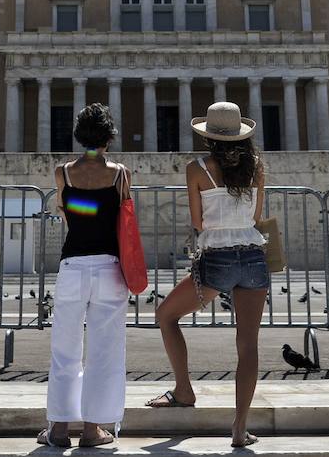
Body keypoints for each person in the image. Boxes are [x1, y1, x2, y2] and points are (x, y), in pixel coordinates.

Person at [147, 101, 268, 448]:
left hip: (218, 259)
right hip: (254, 257)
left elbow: (198, 222)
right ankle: (240, 428)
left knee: (166, 316)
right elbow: (257, 217)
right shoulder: (258, 168)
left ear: (209, 137)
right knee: (248, 345)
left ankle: (184, 389)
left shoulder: (196, 168)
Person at [39, 103, 131, 449]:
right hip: (109, 267)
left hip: (73, 266)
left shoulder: (63, 173)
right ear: (109, 137)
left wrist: (83, 210)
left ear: (80, 136)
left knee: (65, 349)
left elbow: (70, 213)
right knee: (104, 352)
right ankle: (92, 431)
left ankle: (59, 430)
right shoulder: (121, 174)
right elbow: (121, 219)